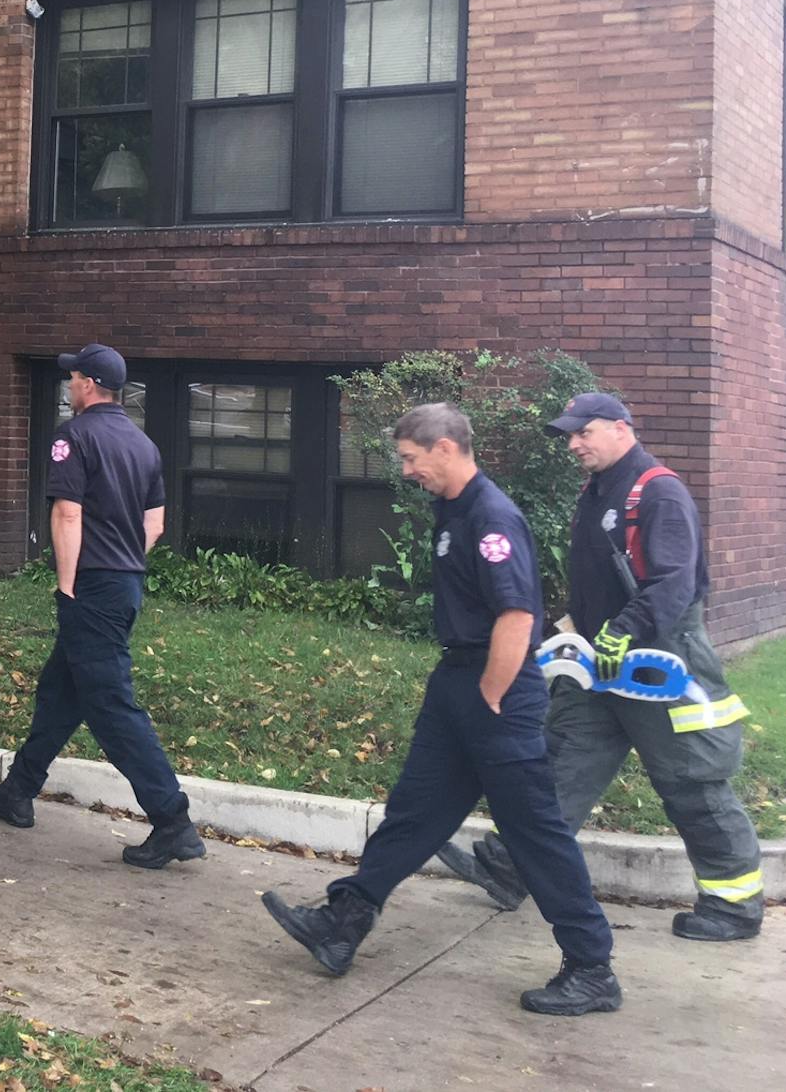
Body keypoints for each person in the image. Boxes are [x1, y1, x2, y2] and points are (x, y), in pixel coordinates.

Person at [262, 403, 622, 1016]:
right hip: (458, 679)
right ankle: (343, 922)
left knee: (534, 831)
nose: (406, 470)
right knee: (415, 810)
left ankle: (592, 968)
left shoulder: (490, 517)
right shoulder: (453, 510)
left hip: (495, 687)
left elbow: (516, 616)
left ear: (447, 449)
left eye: (410, 458)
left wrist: (492, 696)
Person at [438, 391, 763, 941]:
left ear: (619, 428)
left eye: (583, 432)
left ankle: (734, 905)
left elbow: (675, 582)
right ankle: (511, 867)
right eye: (570, 434)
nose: (573, 444)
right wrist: (566, 633)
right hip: (598, 665)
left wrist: (624, 629)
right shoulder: (597, 493)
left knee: (692, 782)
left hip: (659, 666)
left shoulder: (657, 492)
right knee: (560, 763)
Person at [0, 343, 205, 870]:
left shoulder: (73, 438)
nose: (69, 387)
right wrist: (123, 563)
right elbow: (155, 525)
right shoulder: (143, 445)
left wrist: (67, 587)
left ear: (89, 385)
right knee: (61, 691)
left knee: (111, 705)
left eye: (73, 379)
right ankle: (18, 791)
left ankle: (173, 820)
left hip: (89, 589)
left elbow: (67, 515)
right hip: (124, 585)